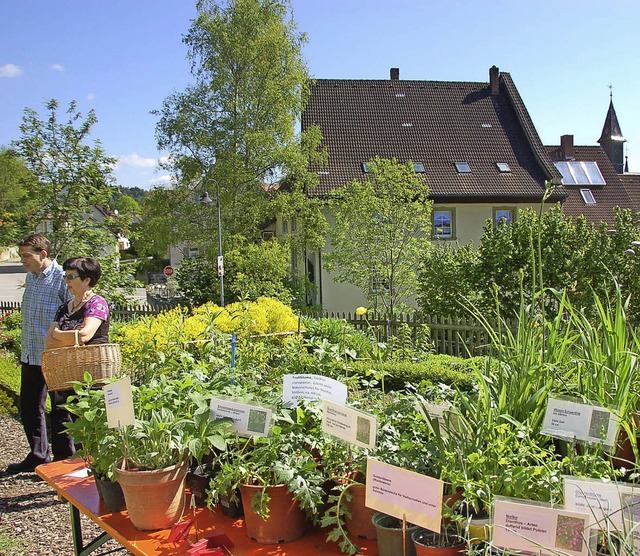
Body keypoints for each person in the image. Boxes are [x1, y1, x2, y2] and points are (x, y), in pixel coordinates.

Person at [7, 234, 72, 473]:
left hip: (54, 356)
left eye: (26, 255)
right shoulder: (31, 277)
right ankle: (37, 456)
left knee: (60, 410)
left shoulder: (62, 279)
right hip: (31, 354)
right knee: (30, 406)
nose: (22, 260)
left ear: (43, 254)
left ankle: (63, 461)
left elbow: (73, 315)